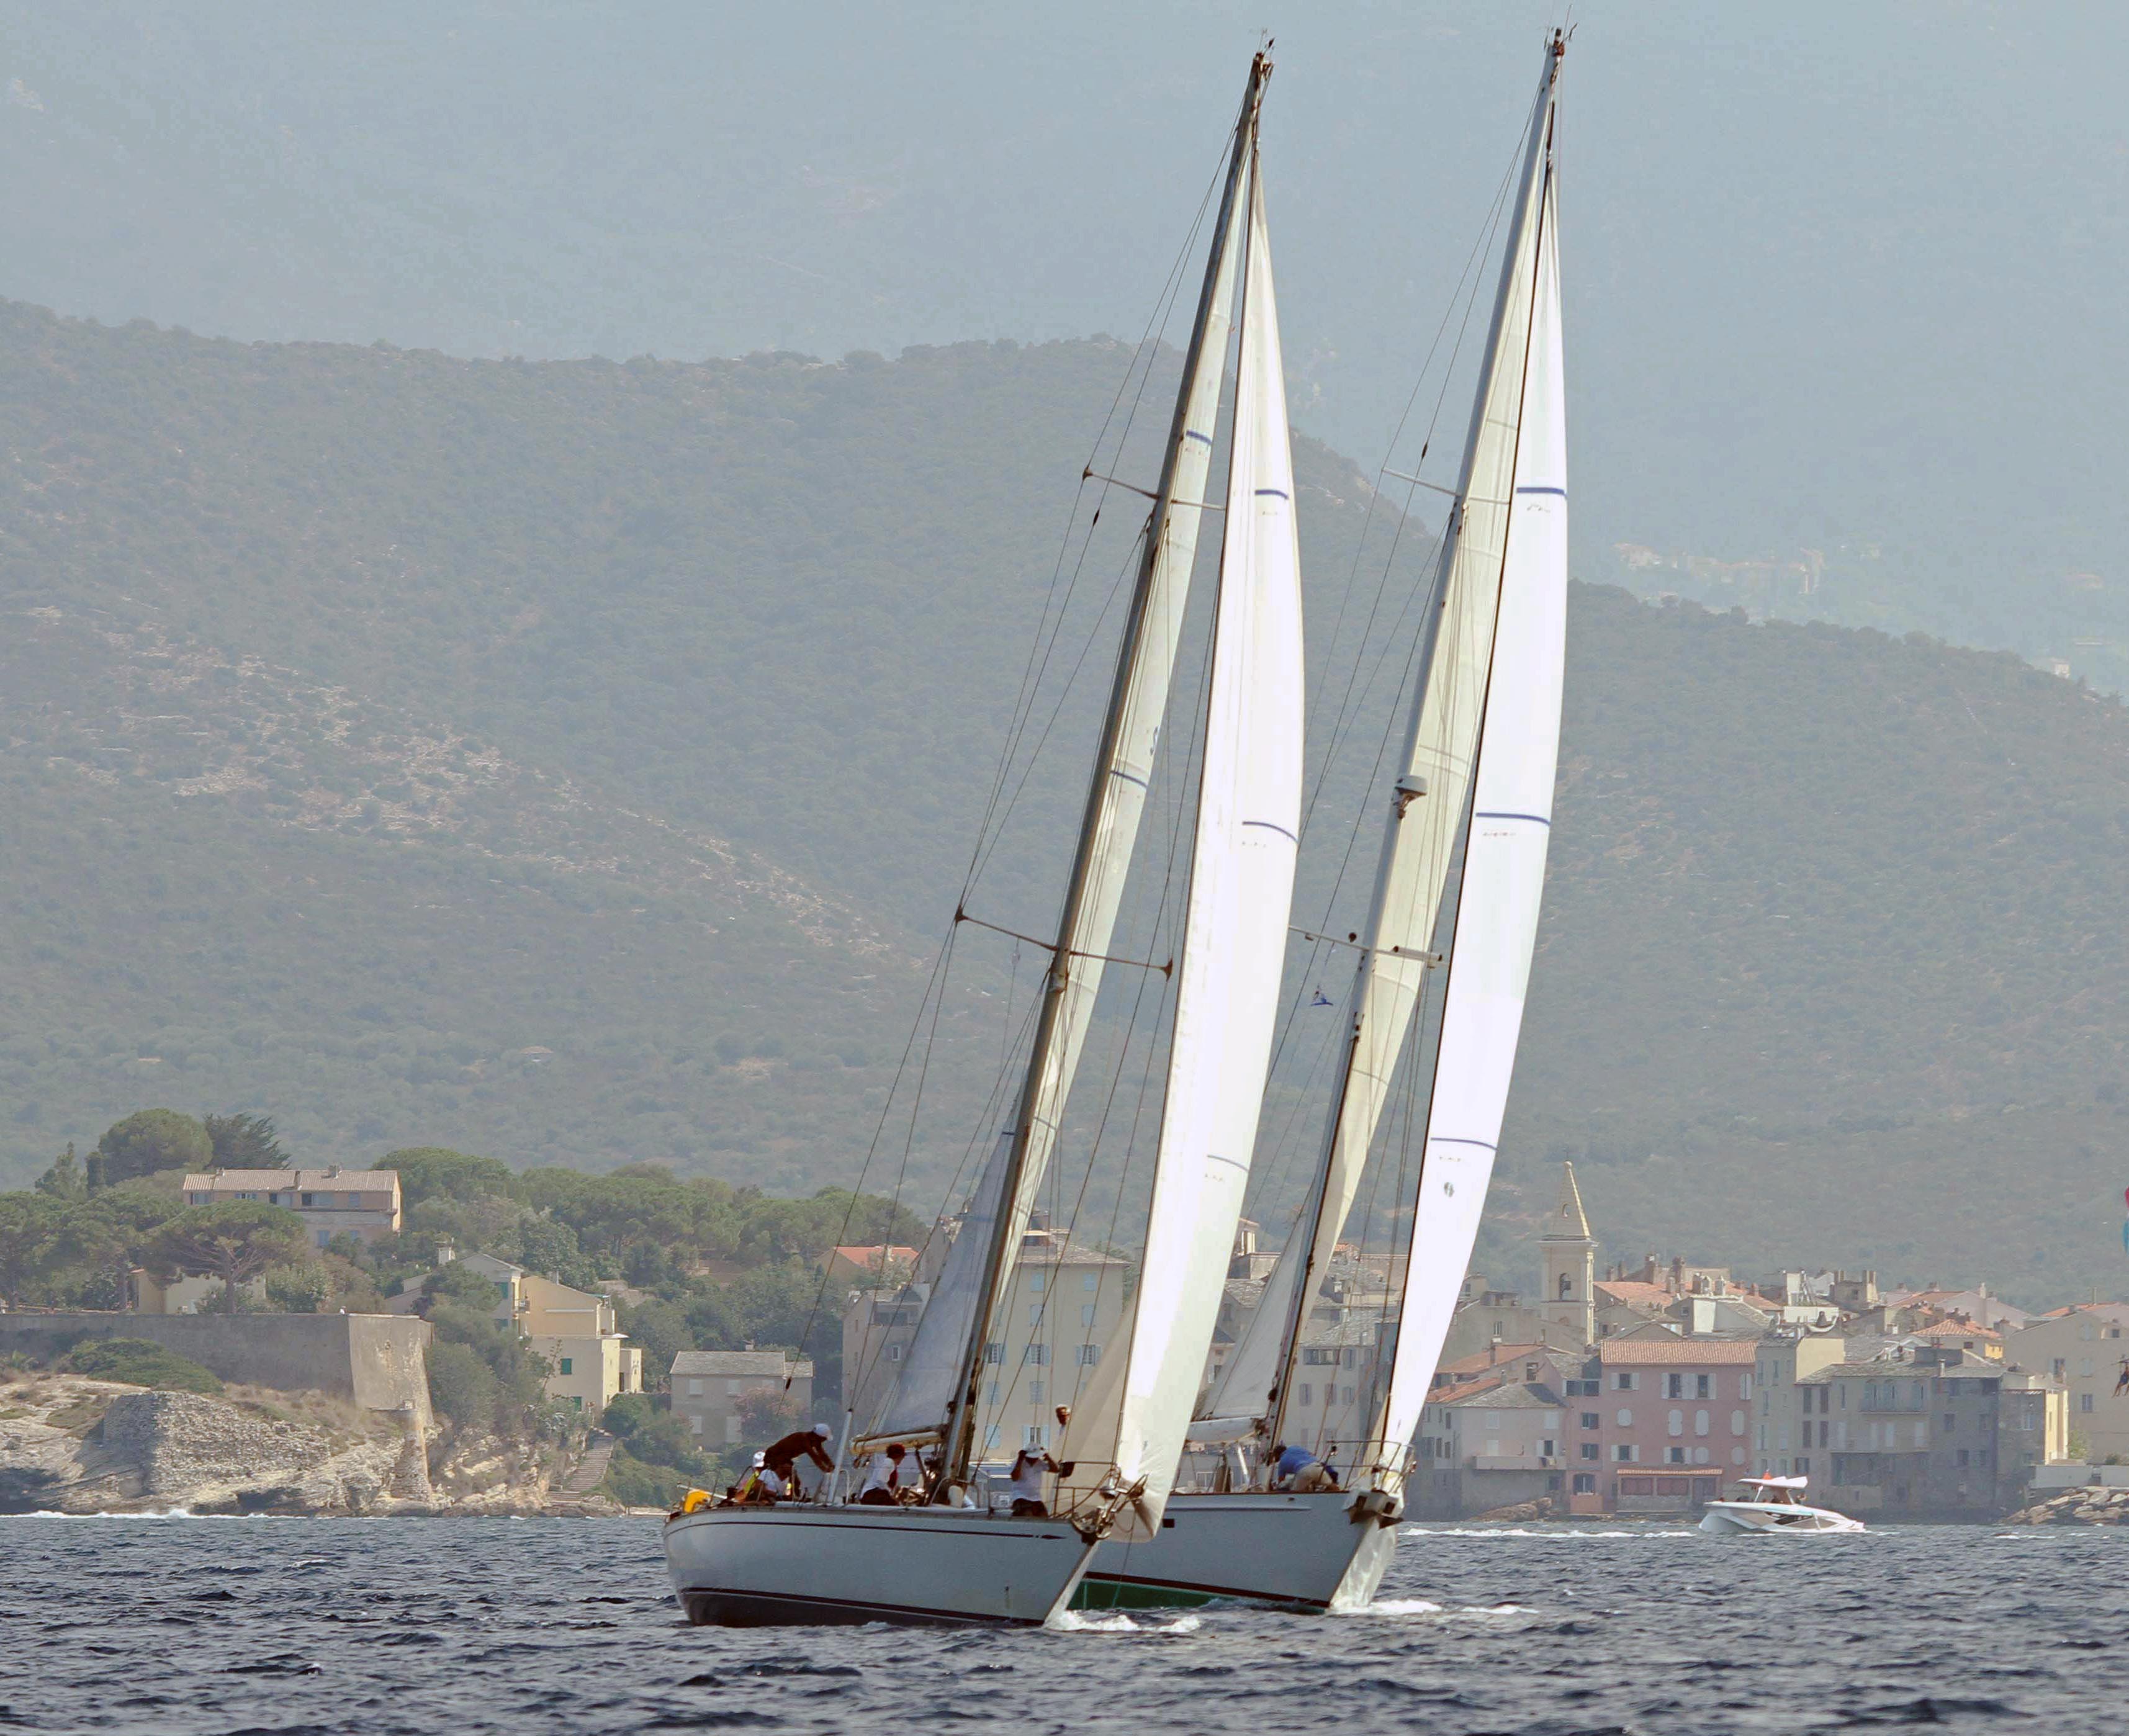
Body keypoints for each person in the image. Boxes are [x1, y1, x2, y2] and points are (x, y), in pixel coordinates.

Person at [762, 1423, 837, 1495]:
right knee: (793, 1479)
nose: (824, 1441)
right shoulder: (803, 1438)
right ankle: (788, 1497)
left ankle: (790, 1496)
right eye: (824, 1439)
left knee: (794, 1479)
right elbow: (814, 1457)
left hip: (785, 1459)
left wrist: (832, 1466)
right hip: (773, 1456)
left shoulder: (816, 1441)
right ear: (818, 1437)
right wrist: (825, 1470)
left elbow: (822, 1454)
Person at [1270, 1442, 1339, 1493]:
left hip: (1304, 1471)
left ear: (1277, 1454)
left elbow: (1281, 1482)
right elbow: (1311, 1454)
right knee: (1331, 1485)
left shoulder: (1282, 1462)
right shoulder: (1295, 1447)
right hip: (1317, 1466)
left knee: (1294, 1494)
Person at [857, 1442, 908, 1506]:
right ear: (900, 1456)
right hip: (873, 1494)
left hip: (872, 1493)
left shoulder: (888, 1463)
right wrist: (890, 1494)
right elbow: (881, 1480)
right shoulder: (889, 1463)